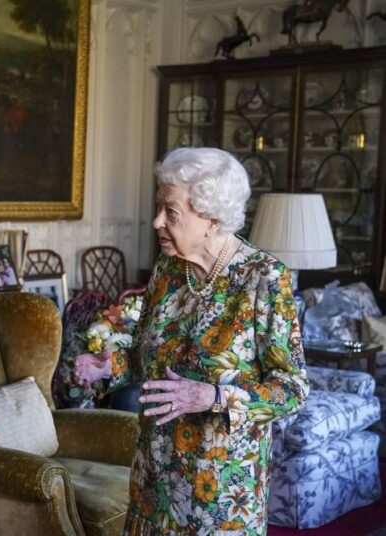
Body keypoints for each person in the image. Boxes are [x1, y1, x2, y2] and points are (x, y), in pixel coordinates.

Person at [74, 148, 309, 535]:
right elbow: (146, 354)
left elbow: (292, 390)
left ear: (212, 220)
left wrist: (213, 397)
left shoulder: (264, 279)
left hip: (220, 488)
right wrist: (110, 365)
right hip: (155, 474)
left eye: (171, 212)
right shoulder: (168, 269)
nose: (156, 222)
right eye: (159, 207)